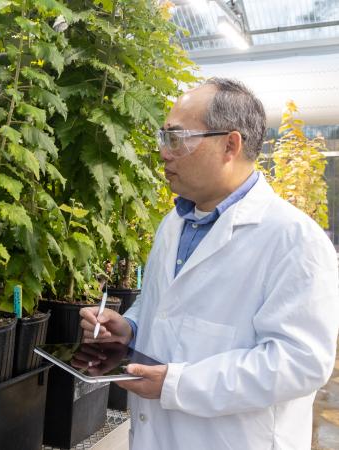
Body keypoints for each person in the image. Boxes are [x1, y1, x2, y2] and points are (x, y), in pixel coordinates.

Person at [80, 78, 339, 449]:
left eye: (177, 137)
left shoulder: (295, 240)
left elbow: (300, 363)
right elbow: (161, 306)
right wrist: (130, 328)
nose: (164, 153)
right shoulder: (175, 223)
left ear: (230, 145)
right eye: (163, 137)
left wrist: (179, 385)